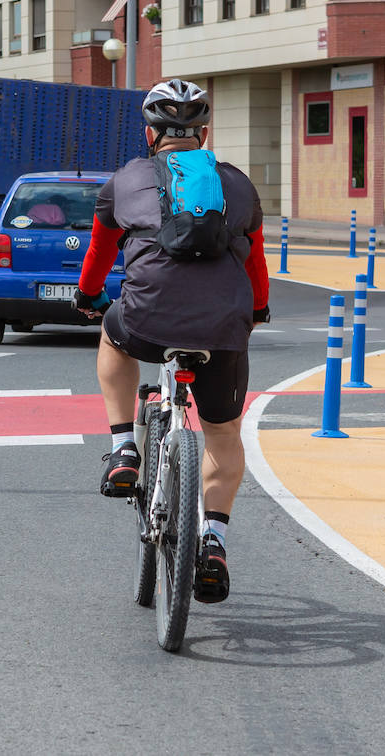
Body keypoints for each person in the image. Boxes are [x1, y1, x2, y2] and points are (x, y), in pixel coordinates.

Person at [72, 78, 270, 604]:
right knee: (223, 435)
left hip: (147, 318)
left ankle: (122, 450)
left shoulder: (126, 179)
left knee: (113, 338)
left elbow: (100, 255)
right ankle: (214, 541)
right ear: (203, 133)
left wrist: (88, 296)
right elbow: (256, 265)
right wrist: (255, 312)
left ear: (150, 133)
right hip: (224, 328)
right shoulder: (238, 185)